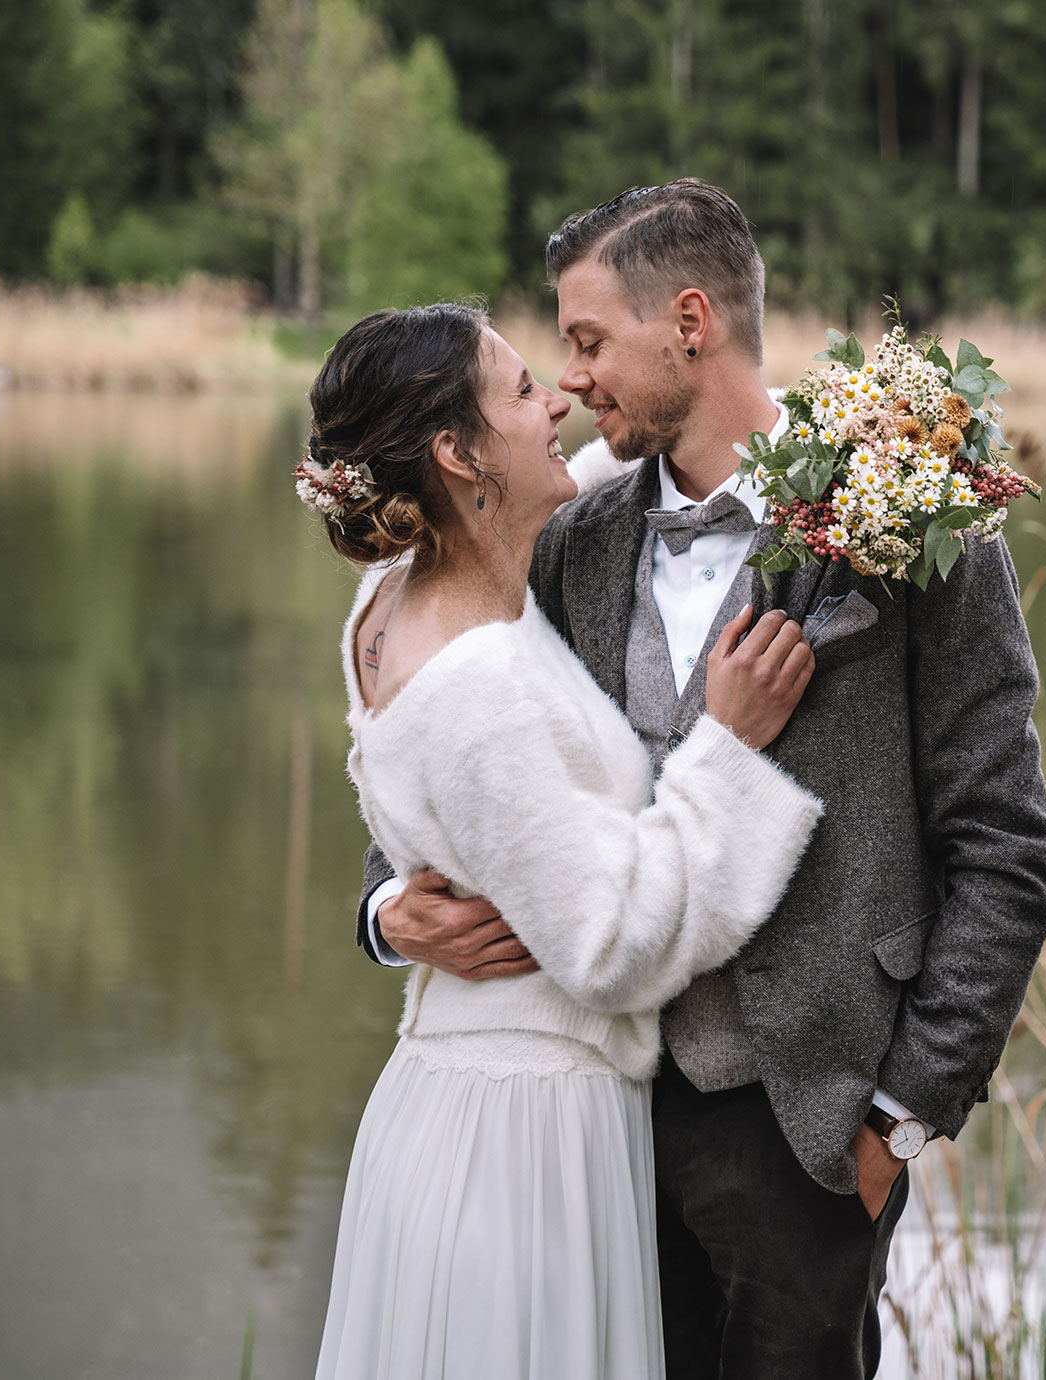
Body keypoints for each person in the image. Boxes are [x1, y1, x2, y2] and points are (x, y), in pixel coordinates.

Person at [358, 180, 1046, 1378]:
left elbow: (1007, 847)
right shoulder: (569, 532)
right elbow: (468, 730)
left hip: (807, 1123)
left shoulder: (909, 518)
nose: (571, 379)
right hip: (596, 1117)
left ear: (691, 321)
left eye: (588, 343)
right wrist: (387, 905)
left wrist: (901, 1112)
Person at [305, 302, 826, 1380]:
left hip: (452, 1096)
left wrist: (831, 436)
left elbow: (576, 474)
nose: (561, 401)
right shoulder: (480, 682)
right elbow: (610, 943)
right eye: (523, 389)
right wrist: (727, 748)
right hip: (522, 1141)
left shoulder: (393, 598)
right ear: (457, 453)